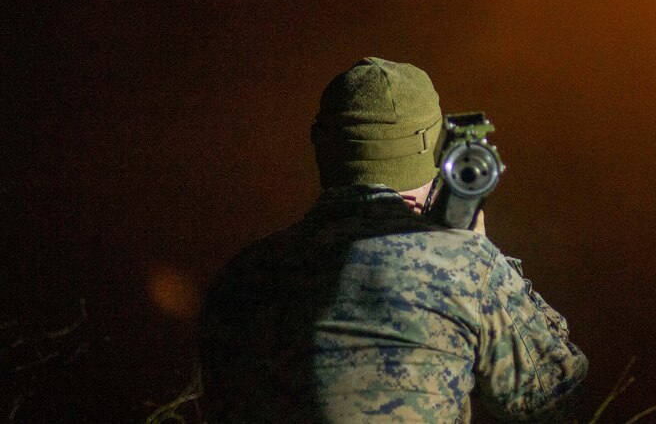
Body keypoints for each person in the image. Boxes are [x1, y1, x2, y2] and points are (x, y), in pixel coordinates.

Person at [198, 57, 588, 423]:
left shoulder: (242, 279)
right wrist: (479, 250)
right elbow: (557, 396)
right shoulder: (467, 265)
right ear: (440, 157)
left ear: (326, 152)